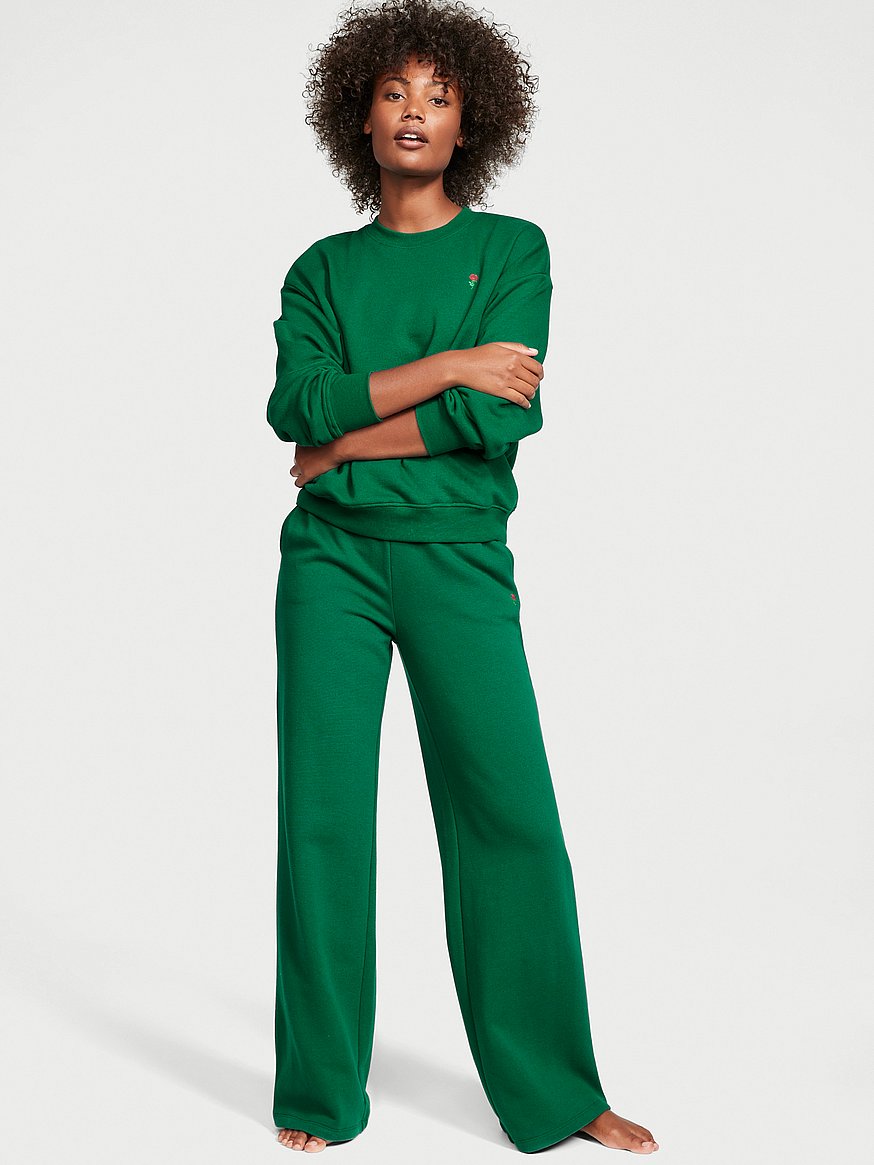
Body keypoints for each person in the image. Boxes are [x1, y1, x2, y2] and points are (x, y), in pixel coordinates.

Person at [267, 0, 659, 1154]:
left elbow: (500, 417)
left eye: (438, 97)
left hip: (458, 560)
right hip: (329, 565)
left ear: (469, 122)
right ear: (358, 113)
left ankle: (555, 1090)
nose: (414, 112)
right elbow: (294, 406)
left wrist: (343, 444)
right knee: (323, 822)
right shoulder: (322, 270)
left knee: (508, 814)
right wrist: (445, 365)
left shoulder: (514, 250)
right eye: (394, 91)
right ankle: (319, 1092)